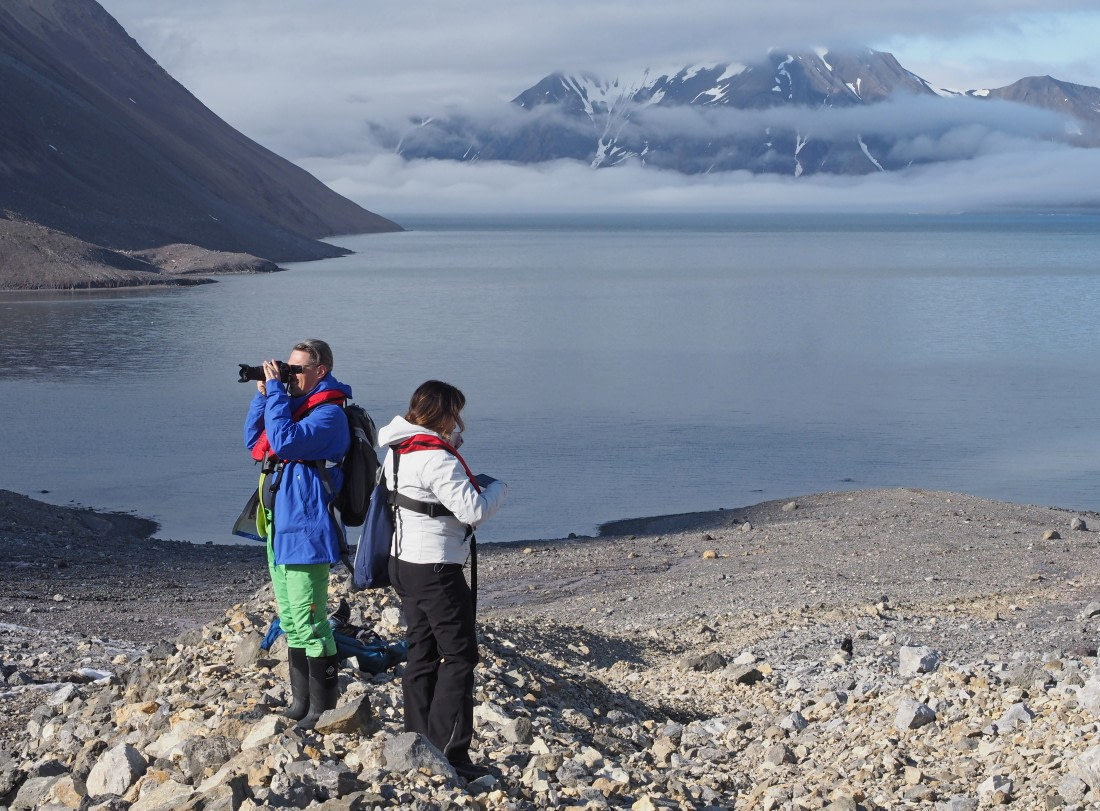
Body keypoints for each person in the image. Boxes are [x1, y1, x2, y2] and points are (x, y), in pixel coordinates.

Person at [378, 380, 508, 779]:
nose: (460, 421)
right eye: (456, 413)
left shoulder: (398, 449)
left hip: (403, 563)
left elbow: (421, 494)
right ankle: (449, 753)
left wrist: (450, 450)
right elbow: (472, 511)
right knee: (460, 655)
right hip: (436, 567)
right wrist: (498, 489)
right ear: (444, 414)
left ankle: (418, 741)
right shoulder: (436, 457)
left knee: (422, 652)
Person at [243, 338, 351, 730]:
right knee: (290, 620)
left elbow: (286, 441)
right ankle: (301, 703)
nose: (289, 375)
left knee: (311, 623)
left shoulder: (329, 415)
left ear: (321, 371)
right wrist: (263, 396)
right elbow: (255, 443)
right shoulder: (295, 407)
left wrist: (276, 391)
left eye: (296, 369)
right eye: (286, 368)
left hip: (307, 531)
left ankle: (323, 710)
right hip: (281, 529)